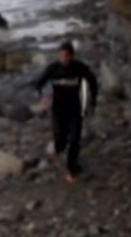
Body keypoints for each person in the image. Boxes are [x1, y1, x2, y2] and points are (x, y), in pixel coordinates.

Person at [33, 41, 98, 183]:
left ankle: (71, 169)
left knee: (74, 139)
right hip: (58, 109)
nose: (64, 59)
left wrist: (92, 100)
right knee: (60, 139)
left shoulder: (79, 68)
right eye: (62, 56)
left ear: (72, 56)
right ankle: (57, 152)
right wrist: (43, 97)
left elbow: (92, 82)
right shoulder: (53, 69)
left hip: (75, 107)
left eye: (67, 56)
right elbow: (38, 84)